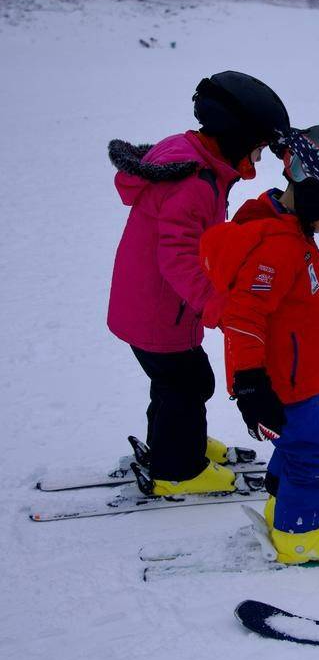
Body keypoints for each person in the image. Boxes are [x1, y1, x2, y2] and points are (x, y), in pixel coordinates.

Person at [200, 125, 319, 563]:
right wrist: (249, 384)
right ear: (316, 192)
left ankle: (286, 506)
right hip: (279, 382)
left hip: (299, 377)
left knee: (302, 443)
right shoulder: (278, 246)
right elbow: (244, 319)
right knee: (311, 454)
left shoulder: (292, 232)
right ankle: (301, 534)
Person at [107, 72, 290, 496]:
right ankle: (178, 470)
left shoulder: (190, 157)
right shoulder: (193, 183)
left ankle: (177, 440)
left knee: (176, 382)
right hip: (160, 314)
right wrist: (217, 305)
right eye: (257, 148)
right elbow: (178, 257)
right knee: (189, 383)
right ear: (236, 135)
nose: (258, 160)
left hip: (149, 306)